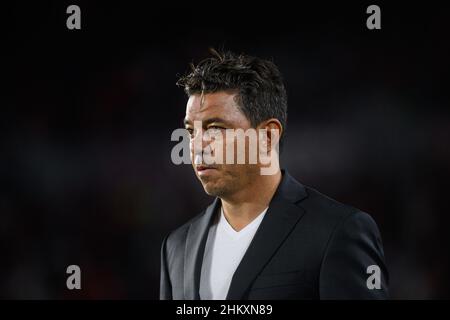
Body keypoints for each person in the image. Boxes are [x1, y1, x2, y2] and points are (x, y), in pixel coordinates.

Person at [160, 49, 389, 299]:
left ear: (267, 136)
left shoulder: (337, 232)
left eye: (215, 128)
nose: (197, 146)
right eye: (192, 131)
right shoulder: (176, 246)